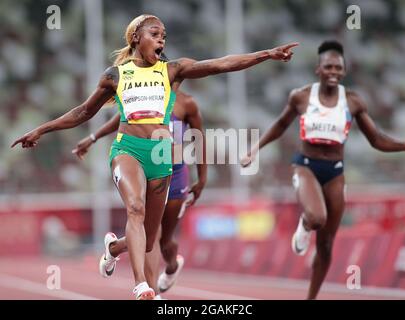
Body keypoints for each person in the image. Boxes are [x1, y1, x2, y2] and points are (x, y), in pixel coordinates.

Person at [11, 13, 298, 300]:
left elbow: (219, 65)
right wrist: (41, 129)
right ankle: (141, 286)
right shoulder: (116, 75)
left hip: (161, 154)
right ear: (136, 37)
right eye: (155, 33)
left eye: (164, 36)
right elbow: (83, 112)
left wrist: (266, 54)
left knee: (149, 239)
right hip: (128, 149)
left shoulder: (172, 70)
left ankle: (113, 249)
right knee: (135, 208)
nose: (161, 39)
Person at [241, 40, 405, 300]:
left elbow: (375, 139)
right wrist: (256, 147)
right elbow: (279, 125)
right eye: (328, 66)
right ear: (318, 69)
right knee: (317, 217)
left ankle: (311, 297)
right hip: (306, 166)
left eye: (338, 68)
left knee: (327, 243)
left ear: (343, 71)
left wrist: (403, 145)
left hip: (335, 172)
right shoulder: (301, 96)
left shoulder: (352, 101)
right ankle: (305, 223)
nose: (333, 71)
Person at [72, 88, 206, 295]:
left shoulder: (187, 103)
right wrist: (93, 137)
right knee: (148, 233)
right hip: (150, 170)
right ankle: (151, 291)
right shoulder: (145, 96)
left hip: (177, 173)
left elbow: (199, 139)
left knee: (165, 241)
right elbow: (121, 119)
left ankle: (167, 265)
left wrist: (202, 178)